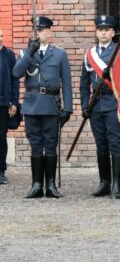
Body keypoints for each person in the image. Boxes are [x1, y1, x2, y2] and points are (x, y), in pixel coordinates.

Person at [13, 16, 72, 199]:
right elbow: (16, 73)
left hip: (51, 105)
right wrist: (30, 53)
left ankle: (51, 185)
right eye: (37, 30)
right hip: (31, 106)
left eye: (42, 30)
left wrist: (68, 108)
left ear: (49, 32)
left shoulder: (59, 54)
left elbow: (67, 83)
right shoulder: (26, 53)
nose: (39, 33)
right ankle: (37, 185)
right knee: (36, 146)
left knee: (51, 145)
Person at [80, 15, 120, 199]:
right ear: (96, 32)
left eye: (107, 29)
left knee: (115, 144)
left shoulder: (119, 52)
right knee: (101, 145)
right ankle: (104, 183)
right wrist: (85, 104)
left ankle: (116, 184)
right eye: (100, 29)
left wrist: (112, 76)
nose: (103, 33)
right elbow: (84, 83)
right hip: (96, 105)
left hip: (113, 102)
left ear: (113, 32)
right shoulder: (89, 54)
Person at [0, 29, 19, 185]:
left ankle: (1, 171)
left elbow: (15, 80)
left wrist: (13, 102)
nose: (0, 39)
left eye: (1, 36)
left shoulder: (9, 55)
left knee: (1, 137)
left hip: (3, 103)